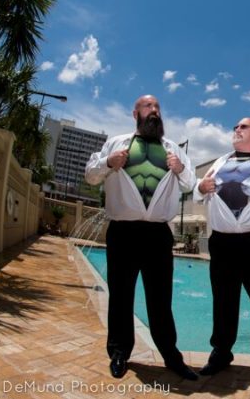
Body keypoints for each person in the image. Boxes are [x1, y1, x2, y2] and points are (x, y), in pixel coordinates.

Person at [85, 95, 198, 381]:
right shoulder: (117, 143)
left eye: (158, 108)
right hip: (123, 232)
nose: (155, 112)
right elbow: (91, 176)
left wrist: (180, 168)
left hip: (158, 234)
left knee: (161, 299)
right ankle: (120, 353)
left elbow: (191, 184)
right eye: (149, 108)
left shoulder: (172, 149)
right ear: (135, 113)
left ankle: (171, 356)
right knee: (121, 296)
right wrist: (109, 163)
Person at [193, 117, 250, 386]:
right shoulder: (220, 162)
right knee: (223, 302)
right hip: (222, 243)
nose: (236, 130)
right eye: (235, 127)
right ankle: (221, 353)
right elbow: (199, 191)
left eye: (243, 127)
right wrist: (200, 187)